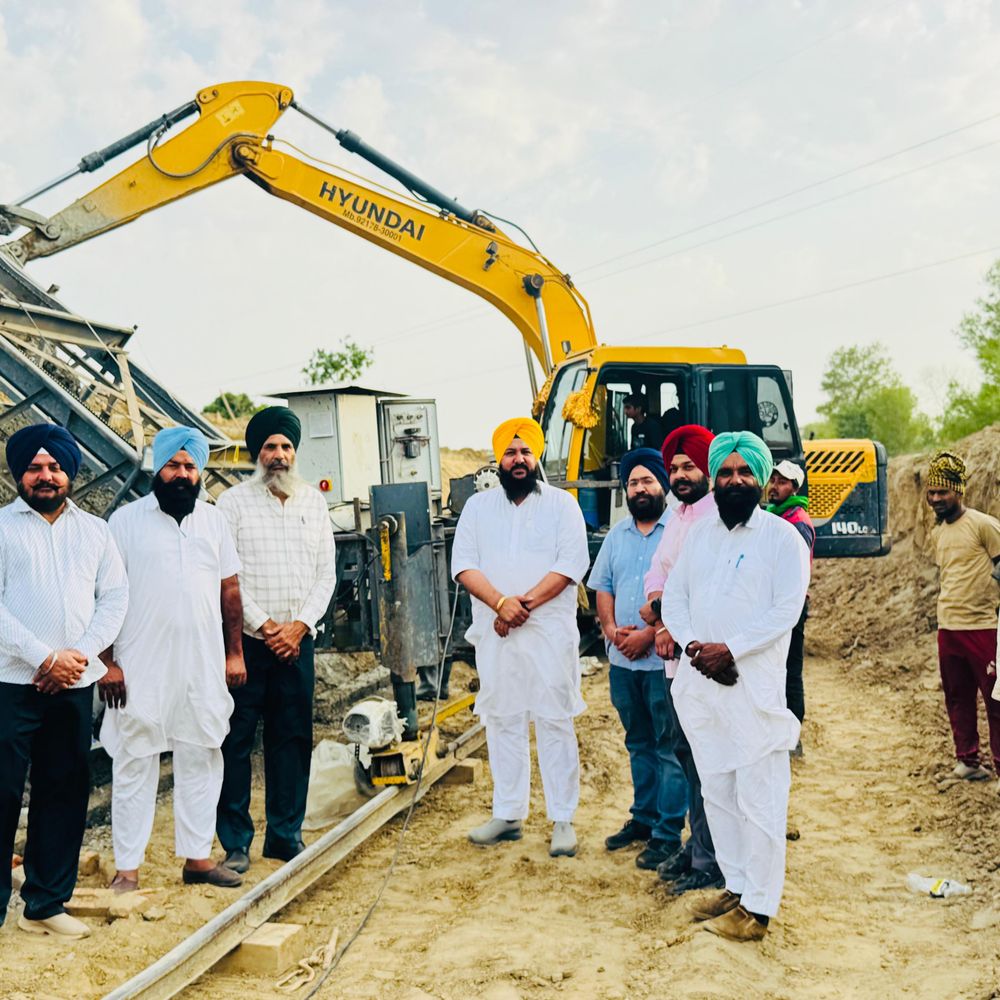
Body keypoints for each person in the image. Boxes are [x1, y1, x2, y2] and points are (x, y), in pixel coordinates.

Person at [662, 431, 809, 942]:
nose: (734, 480)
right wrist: (694, 648)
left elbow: (786, 609)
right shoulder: (700, 536)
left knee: (760, 798)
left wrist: (732, 650)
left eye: (745, 472)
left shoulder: (782, 539)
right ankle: (737, 886)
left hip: (752, 689)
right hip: (703, 686)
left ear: (763, 479)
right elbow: (674, 600)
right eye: (725, 472)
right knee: (718, 791)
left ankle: (759, 910)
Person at [100, 427, 247, 891]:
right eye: (173, 465)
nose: (182, 475)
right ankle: (127, 869)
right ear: (156, 468)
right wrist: (107, 663)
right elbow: (102, 595)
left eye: (190, 467)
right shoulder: (124, 522)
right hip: (139, 665)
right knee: (134, 759)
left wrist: (235, 653)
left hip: (202, 664)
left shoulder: (213, 521)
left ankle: (198, 859)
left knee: (202, 753)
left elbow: (229, 590)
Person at [0, 424, 128, 939]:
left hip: (73, 682)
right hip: (10, 682)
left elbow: (114, 598)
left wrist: (76, 657)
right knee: (3, 793)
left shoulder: (95, 531)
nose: (46, 476)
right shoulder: (2, 527)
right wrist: (44, 657)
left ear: (70, 472)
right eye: (34, 468)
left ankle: (44, 904)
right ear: (19, 474)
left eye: (54, 467)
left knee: (64, 789)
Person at [452, 417, 590, 858]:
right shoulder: (478, 508)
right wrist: (499, 604)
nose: (518, 460)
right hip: (497, 637)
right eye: (510, 453)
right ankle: (508, 814)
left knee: (554, 720)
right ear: (498, 459)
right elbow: (463, 565)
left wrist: (518, 607)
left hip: (549, 635)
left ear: (537, 456)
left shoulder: (562, 506)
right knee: (503, 720)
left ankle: (562, 818)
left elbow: (571, 564)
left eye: (525, 452)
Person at [216, 406, 337, 873]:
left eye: (286, 446)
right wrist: (267, 626)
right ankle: (236, 843)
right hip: (247, 644)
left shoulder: (313, 502)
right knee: (237, 741)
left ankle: (285, 835)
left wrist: (299, 626)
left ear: (295, 452)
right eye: (270, 447)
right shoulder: (232, 505)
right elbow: (227, 578)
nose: (279, 455)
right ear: (257, 454)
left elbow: (325, 575)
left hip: (297, 643)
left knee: (292, 737)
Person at [589, 448, 686, 871]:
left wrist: (650, 634)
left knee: (669, 747)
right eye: (633, 483)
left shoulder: (678, 531)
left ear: (663, 485)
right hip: (623, 663)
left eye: (647, 481)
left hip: (662, 661)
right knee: (638, 742)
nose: (640, 489)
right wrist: (612, 631)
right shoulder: (617, 535)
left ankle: (667, 832)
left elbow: (683, 591)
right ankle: (643, 818)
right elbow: (603, 586)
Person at [639, 424, 724, 895]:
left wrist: (663, 617)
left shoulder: (717, 518)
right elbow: (658, 572)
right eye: (673, 468)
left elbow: (699, 586)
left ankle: (711, 860)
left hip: (703, 659)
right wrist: (658, 605)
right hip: (674, 662)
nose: (679, 475)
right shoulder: (680, 515)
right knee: (686, 754)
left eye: (689, 466)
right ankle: (698, 848)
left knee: (708, 759)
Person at [926, 451, 1000, 787]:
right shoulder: (938, 533)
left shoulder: (984, 525)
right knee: (957, 697)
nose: (936, 498)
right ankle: (967, 761)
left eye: (943, 492)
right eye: (931, 492)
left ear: (959, 491)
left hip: (983, 627)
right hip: (949, 627)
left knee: (996, 701)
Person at [766, 460, 815, 737]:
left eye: (782, 482)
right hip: (775, 602)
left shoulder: (797, 523)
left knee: (790, 669)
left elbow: (795, 571)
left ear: (794, 487)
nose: (774, 487)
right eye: (772, 480)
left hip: (791, 604)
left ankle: (793, 734)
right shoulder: (775, 515)